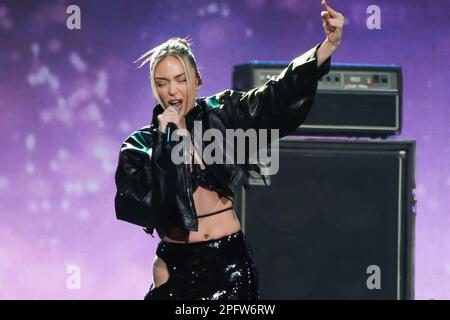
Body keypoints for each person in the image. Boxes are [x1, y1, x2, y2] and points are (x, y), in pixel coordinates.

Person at [114, 0, 344, 300]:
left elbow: (275, 96)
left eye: (181, 80)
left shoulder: (225, 113)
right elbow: (137, 205)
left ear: (197, 80)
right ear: (154, 89)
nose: (172, 90)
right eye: (162, 83)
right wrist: (168, 142)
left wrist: (327, 45)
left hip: (229, 267)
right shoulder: (140, 146)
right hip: (174, 268)